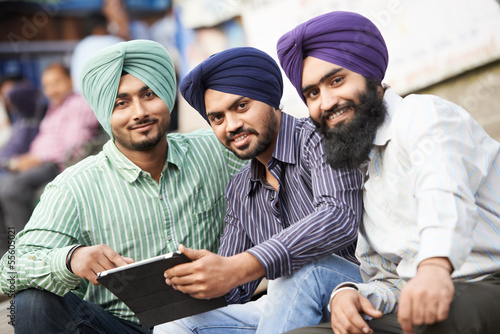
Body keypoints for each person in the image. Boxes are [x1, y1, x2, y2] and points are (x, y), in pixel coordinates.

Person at [275, 11, 500, 334]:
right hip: (419, 301)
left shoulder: (423, 115)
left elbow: (444, 191)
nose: (326, 102)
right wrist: (350, 294)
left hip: (488, 283)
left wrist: (434, 267)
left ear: (370, 77)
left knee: (444, 315)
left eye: (336, 81)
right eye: (312, 93)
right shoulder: (360, 167)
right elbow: (389, 280)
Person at [0, 40, 247, 333]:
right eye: (122, 102)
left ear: (167, 97)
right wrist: (70, 259)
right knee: (33, 303)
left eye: (149, 94)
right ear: (106, 112)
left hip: (216, 319)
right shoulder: (74, 188)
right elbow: (10, 270)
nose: (139, 112)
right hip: (122, 327)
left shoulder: (214, 150)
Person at [154, 47, 363, 334]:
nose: (232, 125)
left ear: (270, 99)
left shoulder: (318, 138)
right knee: (173, 325)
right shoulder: (240, 189)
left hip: (355, 287)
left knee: (297, 269)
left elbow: (337, 217)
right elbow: (234, 286)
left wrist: (242, 265)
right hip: (285, 306)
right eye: (217, 118)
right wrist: (198, 279)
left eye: (241, 106)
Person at [0, 64, 99, 233]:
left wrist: (35, 159)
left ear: (70, 80)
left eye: (56, 82)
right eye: (46, 85)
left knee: (10, 189)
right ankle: (6, 250)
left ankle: (22, 247)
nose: (51, 90)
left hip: (57, 166)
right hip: (40, 163)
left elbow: (72, 147)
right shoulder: (55, 108)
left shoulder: (77, 104)